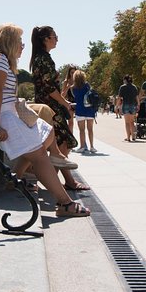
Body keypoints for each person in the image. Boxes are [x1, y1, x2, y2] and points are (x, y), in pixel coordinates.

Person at [0, 23, 89, 217]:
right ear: (8, 42)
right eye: (19, 41)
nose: (22, 46)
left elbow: (2, 95)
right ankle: (65, 203)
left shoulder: (0, 61)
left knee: (47, 131)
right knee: (39, 154)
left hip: (5, 114)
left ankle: (15, 177)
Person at [30, 25, 90, 191]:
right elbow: (50, 88)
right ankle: (59, 180)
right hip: (50, 108)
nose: (57, 39)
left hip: (49, 106)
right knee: (63, 140)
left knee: (61, 142)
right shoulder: (43, 59)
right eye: (54, 36)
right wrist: (65, 103)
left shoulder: (42, 58)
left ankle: (54, 180)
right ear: (46, 39)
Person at [71, 70, 98, 153]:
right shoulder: (87, 85)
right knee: (90, 129)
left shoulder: (73, 88)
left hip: (79, 110)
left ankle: (82, 146)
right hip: (89, 109)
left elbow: (75, 97)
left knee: (81, 130)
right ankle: (92, 146)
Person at [118, 75, 139, 142]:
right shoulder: (134, 87)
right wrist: (138, 104)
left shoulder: (122, 87)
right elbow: (137, 97)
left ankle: (128, 137)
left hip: (126, 105)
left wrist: (117, 106)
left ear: (125, 80)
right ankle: (133, 136)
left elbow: (119, 98)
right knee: (132, 122)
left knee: (127, 122)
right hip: (133, 105)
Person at [61, 65, 78, 134]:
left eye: (74, 72)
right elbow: (62, 95)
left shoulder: (78, 81)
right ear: (69, 73)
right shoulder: (66, 81)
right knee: (71, 122)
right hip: (70, 103)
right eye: (71, 72)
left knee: (81, 122)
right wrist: (67, 87)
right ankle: (71, 137)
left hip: (78, 102)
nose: (73, 74)